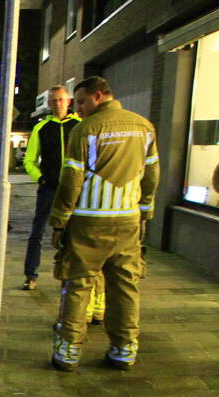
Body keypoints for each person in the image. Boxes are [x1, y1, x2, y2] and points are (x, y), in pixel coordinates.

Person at [48, 76, 159, 371]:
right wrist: (145, 213)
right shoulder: (144, 127)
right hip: (128, 221)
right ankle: (124, 350)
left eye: (82, 101)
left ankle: (68, 352)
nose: (78, 108)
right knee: (125, 287)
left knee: (77, 285)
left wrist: (60, 220)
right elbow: (151, 175)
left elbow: (71, 180)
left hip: (89, 222)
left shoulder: (85, 130)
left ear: (99, 96)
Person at [22, 86, 81, 291]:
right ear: (49, 104)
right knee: (37, 232)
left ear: (68, 101)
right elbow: (29, 160)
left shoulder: (79, 126)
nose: (58, 104)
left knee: (73, 233)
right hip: (49, 188)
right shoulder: (42, 128)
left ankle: (70, 274)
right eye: (54, 101)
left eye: (61, 100)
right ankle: (31, 274)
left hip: (74, 189)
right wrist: (41, 179)